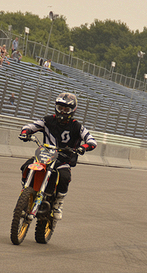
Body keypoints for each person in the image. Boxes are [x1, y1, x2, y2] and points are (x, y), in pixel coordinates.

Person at [18, 93, 97, 221]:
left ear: (73, 111)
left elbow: (92, 141)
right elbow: (29, 126)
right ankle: (25, 192)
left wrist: (83, 147)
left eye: (66, 109)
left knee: (64, 176)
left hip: (63, 159)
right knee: (26, 166)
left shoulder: (77, 127)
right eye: (60, 108)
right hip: (45, 155)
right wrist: (25, 133)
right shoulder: (47, 120)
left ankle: (58, 204)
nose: (62, 112)